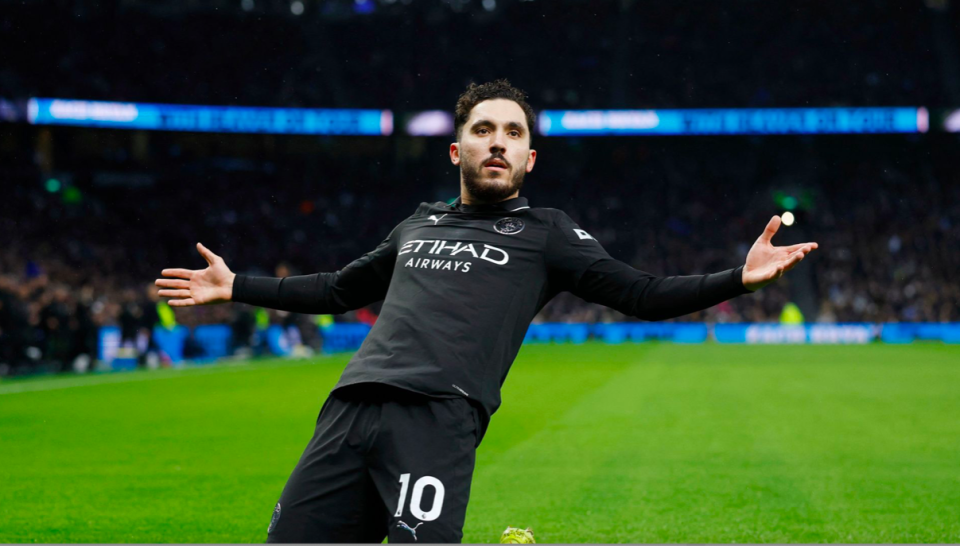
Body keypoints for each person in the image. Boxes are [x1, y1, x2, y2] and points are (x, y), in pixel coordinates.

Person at [156, 80, 818, 543]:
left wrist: (738, 278)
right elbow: (337, 290)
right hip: (349, 408)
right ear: (457, 150)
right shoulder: (416, 225)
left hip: (437, 417)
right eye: (482, 130)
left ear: (530, 158)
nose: (497, 142)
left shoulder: (548, 232)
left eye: (512, 133)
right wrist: (236, 285)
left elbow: (641, 294)